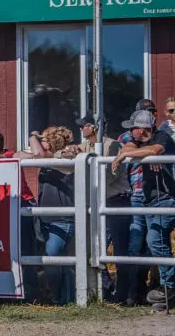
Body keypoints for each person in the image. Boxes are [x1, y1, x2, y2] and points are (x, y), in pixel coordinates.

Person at [112, 108, 175, 312]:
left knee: (155, 241)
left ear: (142, 129)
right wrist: (130, 153)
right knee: (154, 244)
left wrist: (129, 156)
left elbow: (155, 150)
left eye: (134, 129)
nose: (131, 132)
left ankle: (170, 288)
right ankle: (165, 290)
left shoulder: (162, 137)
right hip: (151, 200)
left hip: (165, 198)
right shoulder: (139, 141)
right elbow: (128, 147)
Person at [75, 115, 133, 302]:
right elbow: (64, 157)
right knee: (96, 246)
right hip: (100, 201)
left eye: (84, 126)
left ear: (93, 127)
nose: (81, 129)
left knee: (118, 248)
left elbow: (111, 176)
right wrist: (68, 152)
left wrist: (88, 177)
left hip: (116, 199)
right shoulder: (87, 147)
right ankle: (106, 290)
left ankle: (124, 293)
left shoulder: (112, 145)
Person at [29, 126, 79, 304]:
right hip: (45, 218)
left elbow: (39, 155)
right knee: (59, 261)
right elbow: (22, 155)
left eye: (43, 140)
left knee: (51, 258)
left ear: (51, 143)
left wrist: (32, 136)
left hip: (62, 219)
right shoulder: (47, 157)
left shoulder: (66, 158)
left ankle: (59, 297)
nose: (39, 143)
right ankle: (66, 299)